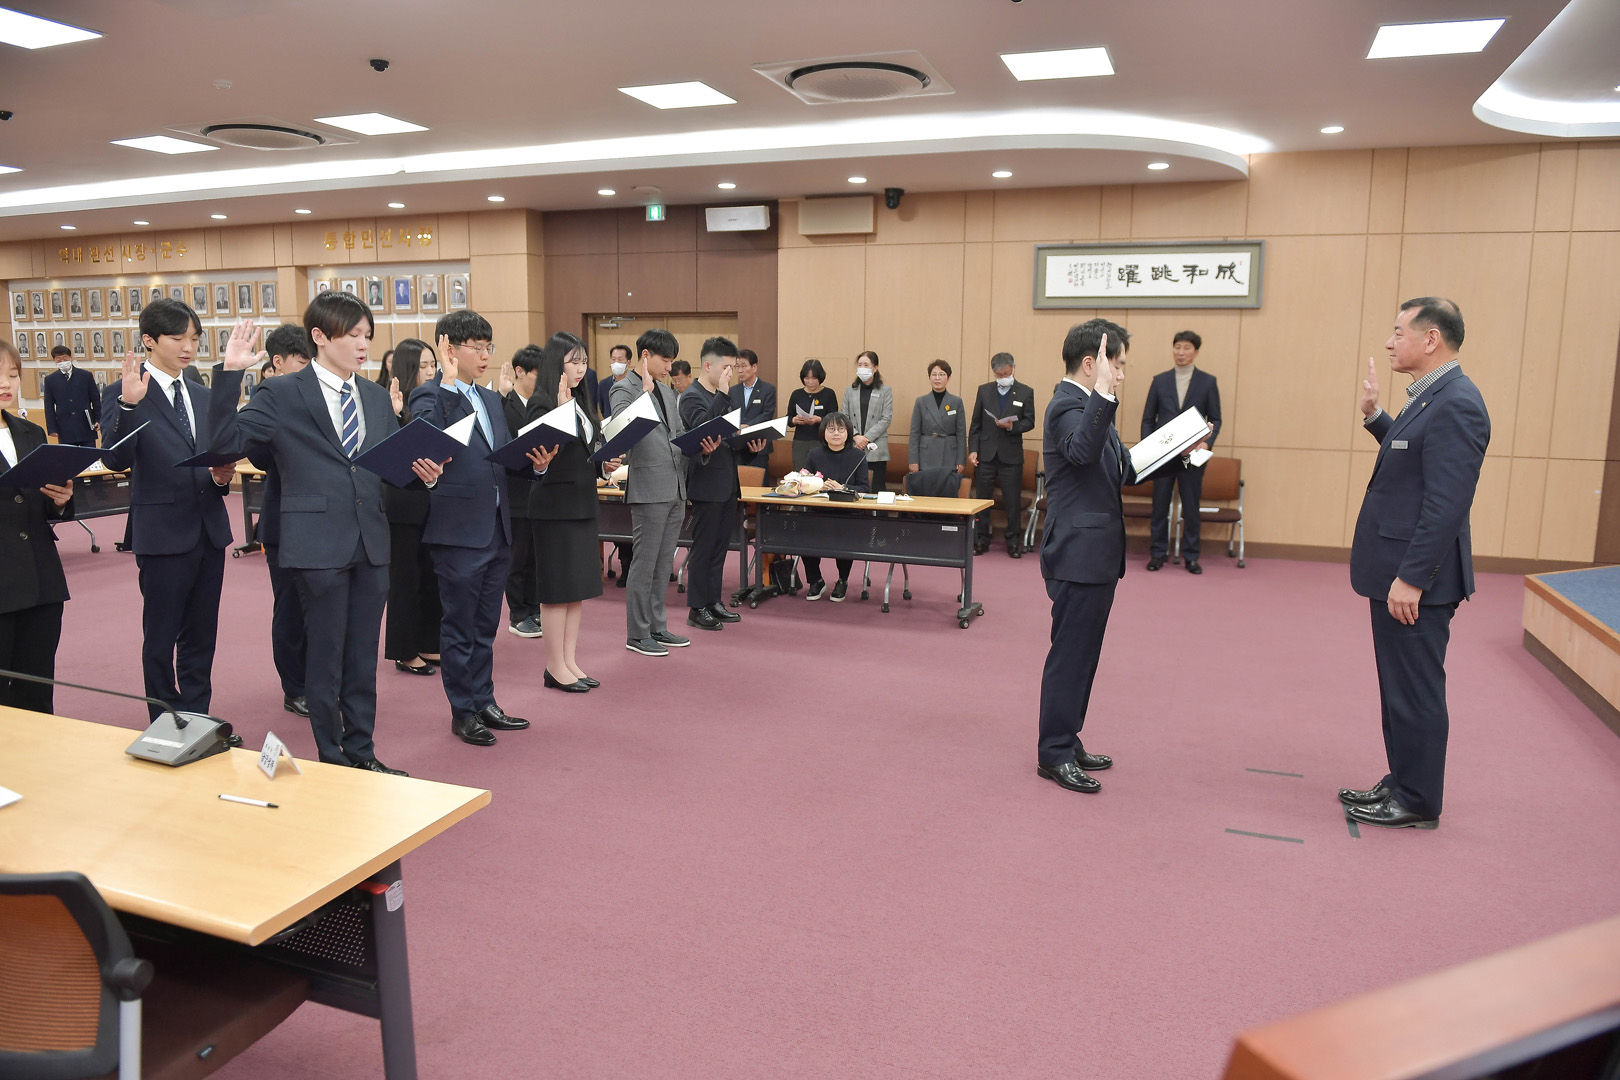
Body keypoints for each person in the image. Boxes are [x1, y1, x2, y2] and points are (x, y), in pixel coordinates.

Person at [208, 292, 436, 775]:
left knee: (362, 658)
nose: (363, 345)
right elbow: (224, 443)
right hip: (315, 544)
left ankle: (362, 752)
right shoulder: (282, 393)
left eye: (367, 336)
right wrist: (229, 374)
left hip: (370, 542)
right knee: (326, 657)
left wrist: (423, 473)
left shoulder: (375, 397)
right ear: (319, 336)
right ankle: (332, 758)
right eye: (353, 335)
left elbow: (384, 468)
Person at [1341, 298, 1490, 830]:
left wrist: (1411, 577)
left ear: (1431, 339)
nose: (1389, 341)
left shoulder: (1458, 403)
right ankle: (1403, 780)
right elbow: (1411, 455)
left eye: (1399, 331)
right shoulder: (1431, 395)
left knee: (1415, 691)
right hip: (1398, 571)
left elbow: (1446, 504)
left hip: (1417, 580)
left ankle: (1419, 800)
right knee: (1397, 688)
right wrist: (1376, 418)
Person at [410, 309, 550, 747]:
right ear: (449, 349)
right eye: (478, 347)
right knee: (459, 626)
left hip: (497, 528)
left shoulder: (490, 400)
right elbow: (428, 440)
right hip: (457, 531)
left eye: (490, 346)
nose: (487, 355)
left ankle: (484, 700)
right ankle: (462, 710)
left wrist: (536, 465)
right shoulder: (429, 395)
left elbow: (501, 460)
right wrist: (450, 385)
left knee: (486, 626)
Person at [102, 299, 237, 721]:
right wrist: (128, 406)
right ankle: (166, 719)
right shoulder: (126, 391)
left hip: (209, 530)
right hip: (162, 532)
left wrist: (221, 477)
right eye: (178, 338)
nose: (188, 348)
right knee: (160, 637)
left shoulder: (201, 394)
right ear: (149, 340)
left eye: (194, 338)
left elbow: (212, 458)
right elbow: (114, 459)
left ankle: (197, 718)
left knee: (202, 635)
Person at [1036, 319, 1135, 794]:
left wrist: (1179, 450)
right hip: (1076, 554)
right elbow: (1080, 452)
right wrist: (1103, 395)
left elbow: (1124, 468)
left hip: (1098, 555)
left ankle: (1068, 738)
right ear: (1092, 363)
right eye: (1118, 365)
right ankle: (1053, 752)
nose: (1122, 375)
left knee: (1086, 657)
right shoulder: (1065, 406)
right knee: (1070, 657)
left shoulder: (1093, 408)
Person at [531, 331, 621, 689]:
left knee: (576, 588)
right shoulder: (542, 402)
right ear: (557, 363)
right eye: (574, 362)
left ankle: (569, 661)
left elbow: (583, 454)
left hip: (582, 503)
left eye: (584, 361)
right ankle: (554, 666)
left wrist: (603, 464)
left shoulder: (582, 400)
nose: (581, 368)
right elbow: (541, 458)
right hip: (554, 508)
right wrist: (559, 412)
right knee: (557, 590)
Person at [0, 342, 76, 713]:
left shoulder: (31, 432)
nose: (6, 384)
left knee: (37, 689)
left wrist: (59, 500)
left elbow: (39, 503)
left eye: (12, 375)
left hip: (40, 581)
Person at [612, 328, 690, 657]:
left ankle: (657, 626)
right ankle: (637, 633)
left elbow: (678, 434)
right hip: (648, 488)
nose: (670, 368)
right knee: (644, 565)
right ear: (646, 356)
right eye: (665, 360)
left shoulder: (668, 392)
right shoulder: (624, 388)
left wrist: (701, 445)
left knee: (662, 565)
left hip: (675, 486)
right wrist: (644, 394)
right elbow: (620, 430)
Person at [679, 336, 765, 632]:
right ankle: (696, 607)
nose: (732, 373)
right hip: (706, 484)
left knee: (719, 547)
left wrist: (749, 447)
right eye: (727, 367)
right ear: (708, 365)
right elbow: (703, 430)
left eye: (734, 367)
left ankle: (713, 601)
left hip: (728, 482)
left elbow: (727, 441)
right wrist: (725, 395)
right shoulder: (692, 396)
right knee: (703, 548)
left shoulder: (723, 396)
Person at [251, 324, 314, 719]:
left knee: (319, 609)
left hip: (321, 520)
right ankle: (295, 687)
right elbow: (258, 457)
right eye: (302, 361)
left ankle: (318, 681)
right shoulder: (268, 397)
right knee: (290, 609)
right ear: (278, 362)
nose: (309, 369)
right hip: (284, 522)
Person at [382, 339, 445, 677]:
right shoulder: (392, 403)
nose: (431, 371)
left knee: (431, 576)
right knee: (405, 579)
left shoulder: (433, 401)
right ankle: (404, 651)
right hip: (402, 505)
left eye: (433, 364)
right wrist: (394, 416)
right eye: (423, 366)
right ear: (408, 369)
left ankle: (428, 642)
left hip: (430, 501)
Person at [1141, 330, 1222, 574]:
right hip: (1163, 455)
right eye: (1177, 347)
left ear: (1195, 352)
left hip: (1193, 454)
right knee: (1160, 506)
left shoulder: (1208, 382)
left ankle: (1191, 556)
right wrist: (1149, 448)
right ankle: (1157, 553)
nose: (1181, 352)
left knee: (1190, 506)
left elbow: (1216, 417)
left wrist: (1207, 443)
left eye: (1186, 348)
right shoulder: (1160, 381)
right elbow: (1148, 418)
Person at [968, 352, 1036, 557]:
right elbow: (975, 424)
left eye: (1006, 374)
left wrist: (1012, 426)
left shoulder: (1025, 392)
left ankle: (1013, 542)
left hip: (1011, 456)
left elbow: (1030, 421)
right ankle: (981, 539)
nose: (1003, 378)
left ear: (1013, 369)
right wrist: (973, 450)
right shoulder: (984, 390)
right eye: (999, 375)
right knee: (982, 501)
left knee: (1012, 502)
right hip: (986, 455)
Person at [502, 345, 546, 639]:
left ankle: (533, 607)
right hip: (515, 491)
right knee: (517, 557)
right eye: (536, 375)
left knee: (536, 557)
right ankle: (518, 614)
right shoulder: (504, 406)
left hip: (539, 490)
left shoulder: (542, 405)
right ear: (520, 372)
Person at [801, 411, 869, 601]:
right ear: (823, 432)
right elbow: (803, 482)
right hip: (818, 512)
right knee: (803, 533)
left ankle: (842, 580)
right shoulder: (814, 454)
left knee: (845, 534)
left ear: (848, 433)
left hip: (847, 514)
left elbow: (864, 488)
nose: (836, 433)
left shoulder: (858, 456)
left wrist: (843, 488)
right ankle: (815, 580)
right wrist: (818, 485)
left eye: (841, 429)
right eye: (831, 429)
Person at [603, 343, 635, 581]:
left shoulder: (636, 385)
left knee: (633, 515)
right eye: (613, 358)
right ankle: (625, 565)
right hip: (611, 450)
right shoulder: (604, 385)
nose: (616, 362)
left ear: (629, 362)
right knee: (618, 515)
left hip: (633, 452)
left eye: (620, 359)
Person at [842, 350, 892, 493]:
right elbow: (844, 416)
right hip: (854, 445)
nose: (862, 368)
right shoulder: (850, 391)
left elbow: (886, 419)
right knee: (853, 487)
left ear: (875, 368)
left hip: (876, 447)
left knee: (876, 488)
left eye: (866, 365)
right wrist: (856, 436)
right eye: (860, 365)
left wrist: (866, 438)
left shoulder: (885, 391)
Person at [909, 359, 967, 479]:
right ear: (929, 377)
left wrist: (961, 460)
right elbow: (914, 434)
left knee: (947, 487)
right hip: (926, 454)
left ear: (948, 378)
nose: (937, 378)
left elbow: (961, 434)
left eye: (942, 375)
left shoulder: (956, 402)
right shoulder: (921, 401)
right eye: (934, 374)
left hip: (949, 454)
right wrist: (913, 460)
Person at [42, 344, 100, 447]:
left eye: (65, 359)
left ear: (70, 357)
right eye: (59, 360)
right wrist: (52, 428)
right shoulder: (50, 380)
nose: (62, 362)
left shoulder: (85, 376)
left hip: (86, 424)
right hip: (65, 427)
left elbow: (95, 399)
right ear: (54, 360)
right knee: (69, 455)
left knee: (90, 455)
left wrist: (98, 419)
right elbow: (48, 405)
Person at [786, 359, 839, 471]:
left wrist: (820, 419)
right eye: (807, 378)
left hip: (821, 440)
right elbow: (788, 418)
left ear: (820, 377)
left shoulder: (829, 394)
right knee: (801, 473)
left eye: (814, 378)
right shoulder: (796, 394)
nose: (810, 382)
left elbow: (834, 418)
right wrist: (794, 420)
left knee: (822, 472)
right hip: (800, 442)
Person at [729, 348, 777, 470]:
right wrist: (737, 428)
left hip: (759, 445)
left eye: (744, 366)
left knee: (758, 480)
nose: (740, 370)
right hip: (738, 446)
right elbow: (729, 414)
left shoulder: (768, 389)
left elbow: (767, 414)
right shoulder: (733, 391)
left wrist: (748, 426)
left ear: (754, 367)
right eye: (737, 367)